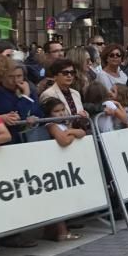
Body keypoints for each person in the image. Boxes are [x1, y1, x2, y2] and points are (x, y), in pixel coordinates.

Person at [41, 96, 85, 241]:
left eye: (62, 110)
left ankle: (51, 231)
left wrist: (70, 132)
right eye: (56, 111)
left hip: (65, 167)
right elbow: (64, 140)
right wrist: (71, 135)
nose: (60, 113)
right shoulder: (51, 125)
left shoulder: (65, 125)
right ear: (49, 114)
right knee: (58, 198)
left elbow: (82, 133)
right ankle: (61, 232)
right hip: (53, 167)